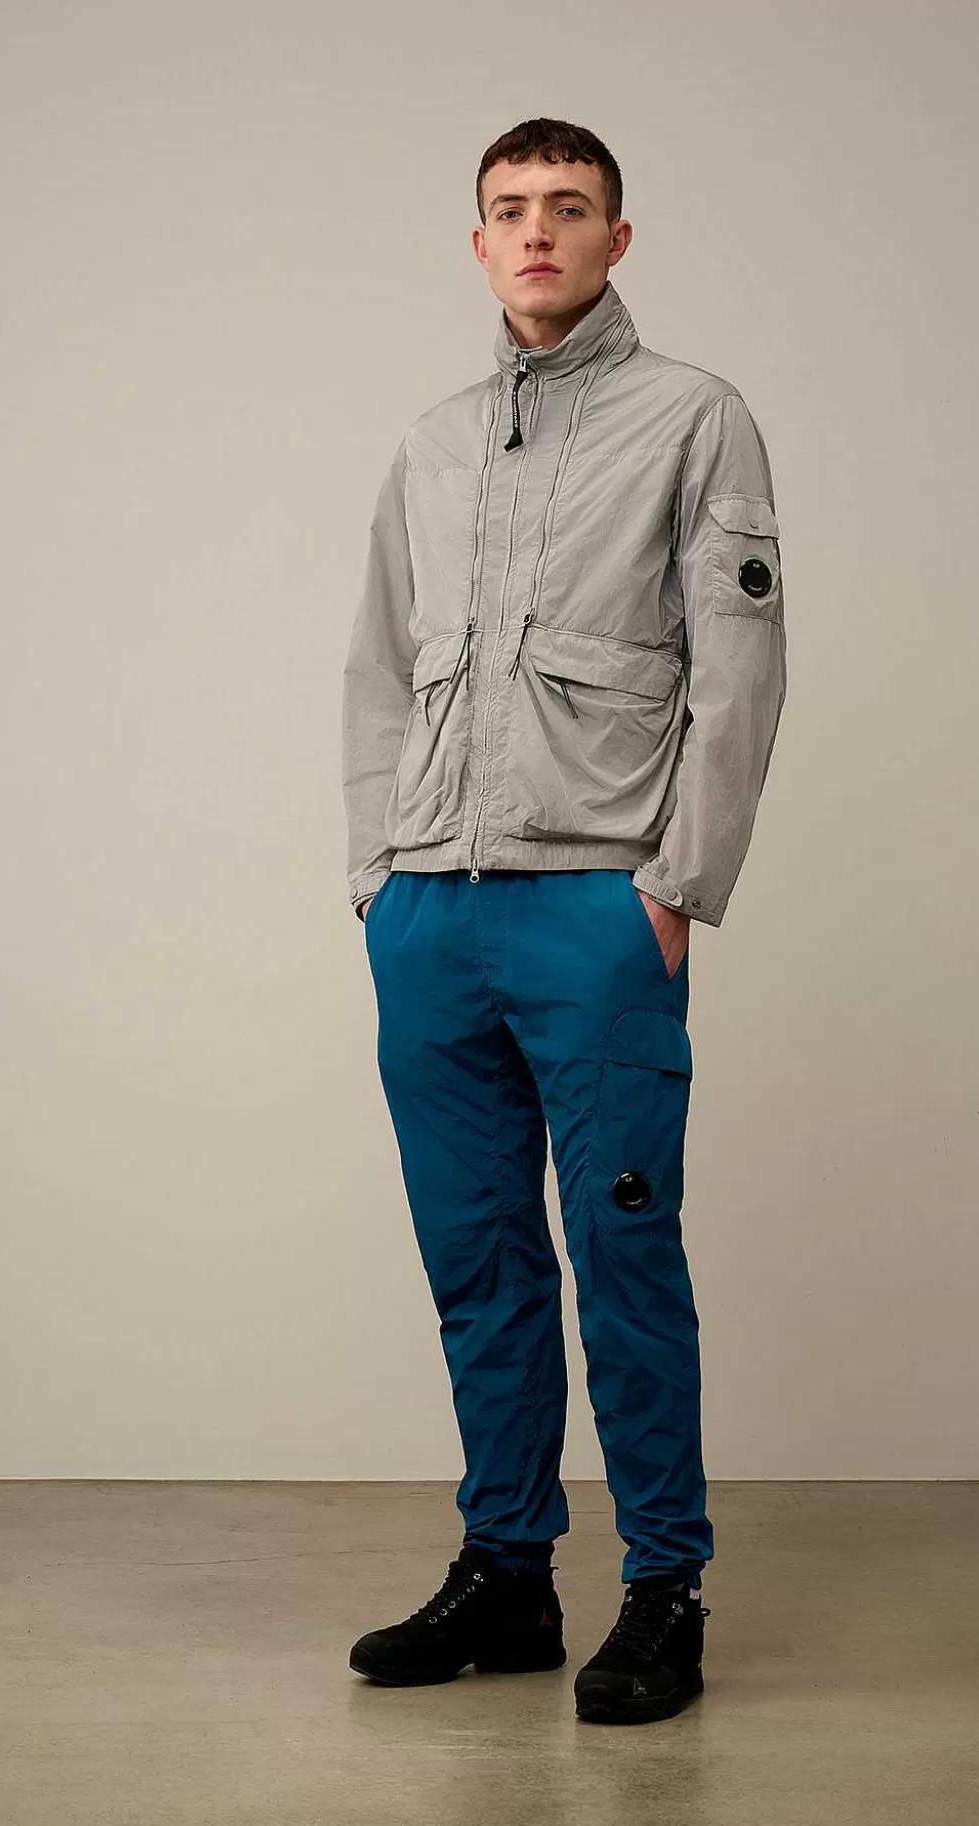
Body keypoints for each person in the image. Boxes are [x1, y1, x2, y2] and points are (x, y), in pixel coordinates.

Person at [340, 117, 787, 1726]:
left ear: (616, 237)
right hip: (432, 912)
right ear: (479, 243)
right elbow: (378, 672)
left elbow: (741, 671)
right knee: (477, 1259)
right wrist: (374, 874)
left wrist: (677, 885)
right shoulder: (433, 443)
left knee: (623, 1250)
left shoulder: (693, 419)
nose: (538, 231)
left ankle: (665, 1586)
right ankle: (507, 1572)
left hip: (597, 906)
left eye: (569, 207)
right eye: (511, 209)